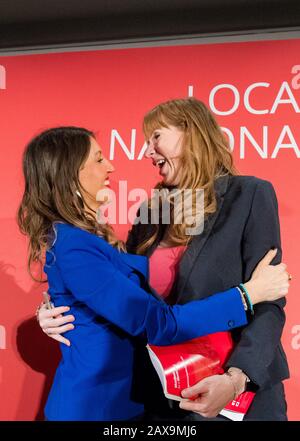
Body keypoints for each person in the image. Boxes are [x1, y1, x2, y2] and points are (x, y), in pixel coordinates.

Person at [35, 97, 290, 421]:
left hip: (240, 396)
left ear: (190, 132)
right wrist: (56, 306)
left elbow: (268, 304)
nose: (146, 151)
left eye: (155, 137)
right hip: (170, 399)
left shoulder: (250, 194)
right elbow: (124, 292)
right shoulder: (152, 210)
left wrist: (237, 380)